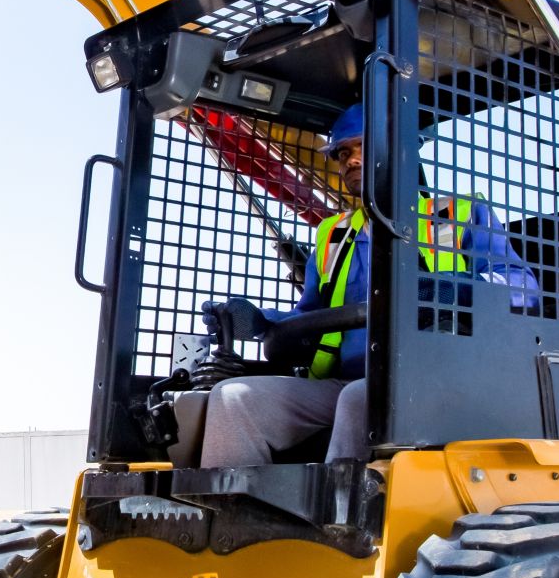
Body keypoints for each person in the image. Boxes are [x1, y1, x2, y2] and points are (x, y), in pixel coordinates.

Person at [199, 102, 541, 465]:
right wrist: (260, 321)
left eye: (363, 146)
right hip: (347, 381)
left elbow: (522, 288)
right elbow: (312, 317)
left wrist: (449, 290)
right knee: (234, 398)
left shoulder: (458, 214)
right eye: (343, 153)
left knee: (362, 399)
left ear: (401, 149)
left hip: (438, 381)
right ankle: (230, 501)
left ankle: (344, 504)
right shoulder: (333, 235)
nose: (351, 160)